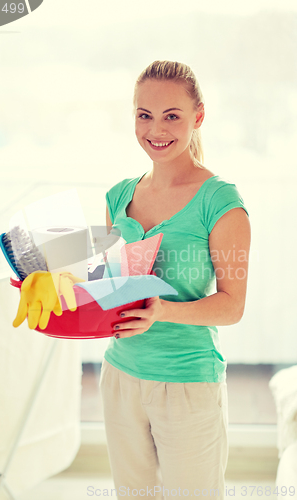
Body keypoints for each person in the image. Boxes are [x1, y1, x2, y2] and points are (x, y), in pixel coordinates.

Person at [99, 60, 251, 500]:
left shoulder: (220, 201)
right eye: (144, 115)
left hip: (187, 382)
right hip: (121, 374)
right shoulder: (118, 195)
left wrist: (161, 310)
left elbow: (232, 305)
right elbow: (106, 282)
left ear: (197, 117)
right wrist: (55, 281)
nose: (156, 129)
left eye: (172, 116)